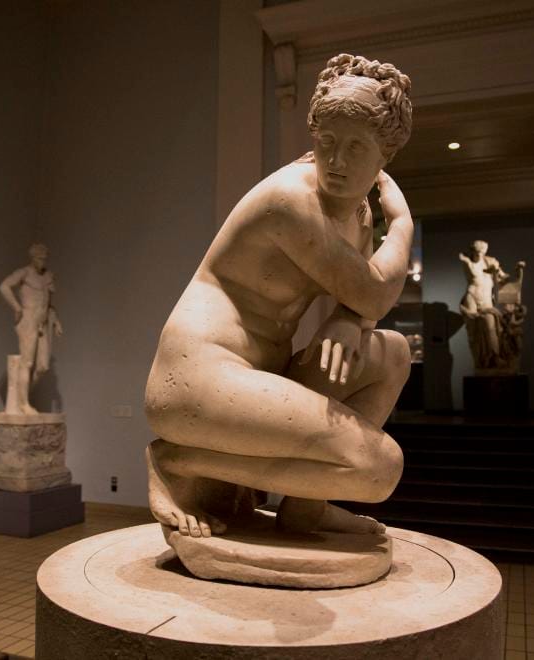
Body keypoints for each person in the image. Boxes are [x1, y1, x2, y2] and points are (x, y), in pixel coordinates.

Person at [145, 54, 414, 539]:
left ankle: (305, 508)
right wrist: (402, 224)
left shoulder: (357, 218)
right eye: (326, 141)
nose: (336, 161)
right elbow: (375, 294)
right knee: (379, 468)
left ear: (385, 156)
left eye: (356, 147)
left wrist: (346, 319)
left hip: (263, 376)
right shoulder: (291, 200)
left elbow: (363, 304)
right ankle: (178, 460)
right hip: (197, 378)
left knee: (393, 352)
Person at [0, 243, 63, 415]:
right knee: (27, 362)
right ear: (33, 258)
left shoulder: (48, 276)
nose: (42, 261)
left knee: (43, 366)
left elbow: (48, 303)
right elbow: (4, 286)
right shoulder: (24, 273)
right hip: (28, 320)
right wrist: (17, 307)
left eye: (45, 258)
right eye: (39, 258)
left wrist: (56, 321)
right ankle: (23, 403)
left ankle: (23, 396)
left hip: (43, 322)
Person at [458, 240, 525, 370]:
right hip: (472, 297)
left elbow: (504, 278)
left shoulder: (491, 262)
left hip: (486, 299)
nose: (480, 255)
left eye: (482, 252)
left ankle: (495, 356)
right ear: (473, 251)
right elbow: (470, 268)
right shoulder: (467, 262)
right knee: (473, 328)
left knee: (490, 326)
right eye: (477, 252)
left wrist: (518, 271)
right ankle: (480, 360)